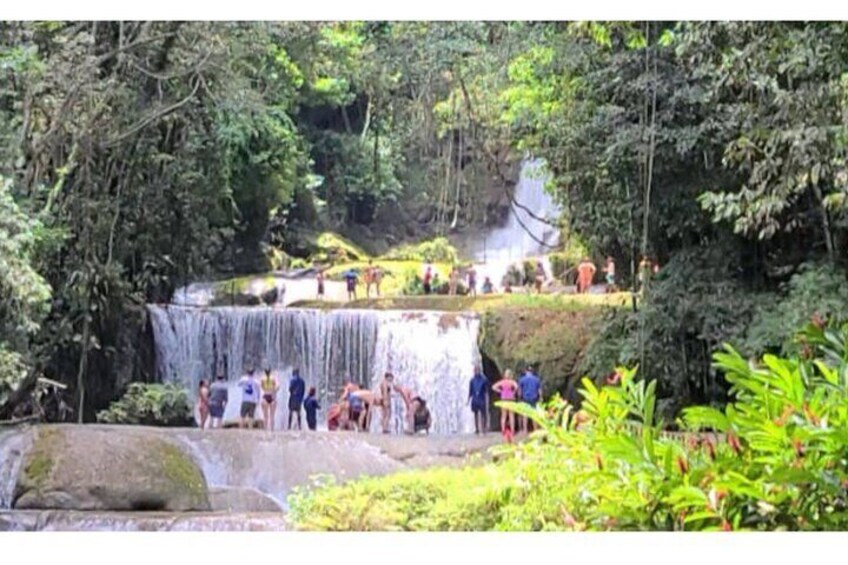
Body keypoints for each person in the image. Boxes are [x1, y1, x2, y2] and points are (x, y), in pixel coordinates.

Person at [492, 369, 518, 435]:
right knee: (511, 415)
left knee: (503, 415)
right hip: (511, 399)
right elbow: (516, 386)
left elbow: (493, 387)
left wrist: (500, 391)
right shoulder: (512, 382)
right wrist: (513, 392)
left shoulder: (502, 382)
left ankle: (503, 430)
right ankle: (512, 431)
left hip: (503, 399)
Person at [517, 365, 542, 434]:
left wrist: (519, 398)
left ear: (526, 371)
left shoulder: (522, 379)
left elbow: (520, 390)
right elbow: (539, 390)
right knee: (534, 414)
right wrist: (541, 397)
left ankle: (525, 430)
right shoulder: (537, 379)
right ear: (532, 371)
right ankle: (535, 429)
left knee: (525, 414)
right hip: (534, 398)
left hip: (525, 398)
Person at [468, 366, 489, 434]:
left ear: (480, 371)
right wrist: (468, 400)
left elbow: (486, 391)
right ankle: (477, 428)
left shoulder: (484, 379)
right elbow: (470, 391)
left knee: (483, 414)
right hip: (475, 399)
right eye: (475, 370)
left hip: (481, 398)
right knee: (475, 414)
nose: (476, 372)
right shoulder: (472, 380)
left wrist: (487, 399)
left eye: (477, 370)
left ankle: (484, 428)